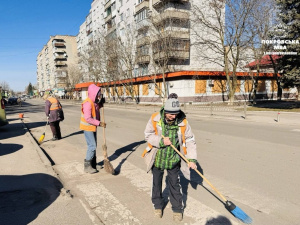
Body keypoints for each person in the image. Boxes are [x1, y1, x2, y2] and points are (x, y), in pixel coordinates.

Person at [143, 93, 197, 222]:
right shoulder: (155, 119)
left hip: (174, 160)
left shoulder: (183, 122)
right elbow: (148, 135)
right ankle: (157, 206)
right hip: (157, 159)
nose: (173, 116)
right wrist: (160, 141)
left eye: (176, 114)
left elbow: (190, 140)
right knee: (156, 184)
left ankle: (177, 209)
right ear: (165, 111)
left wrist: (192, 159)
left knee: (174, 184)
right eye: (171, 114)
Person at [80, 84, 106, 174]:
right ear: (93, 93)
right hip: (87, 127)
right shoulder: (88, 103)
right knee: (92, 146)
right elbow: (88, 118)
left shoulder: (94, 102)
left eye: (99, 94)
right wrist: (99, 123)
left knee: (94, 146)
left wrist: (100, 104)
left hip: (92, 127)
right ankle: (87, 166)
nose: (99, 95)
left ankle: (93, 164)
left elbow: (96, 111)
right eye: (98, 93)